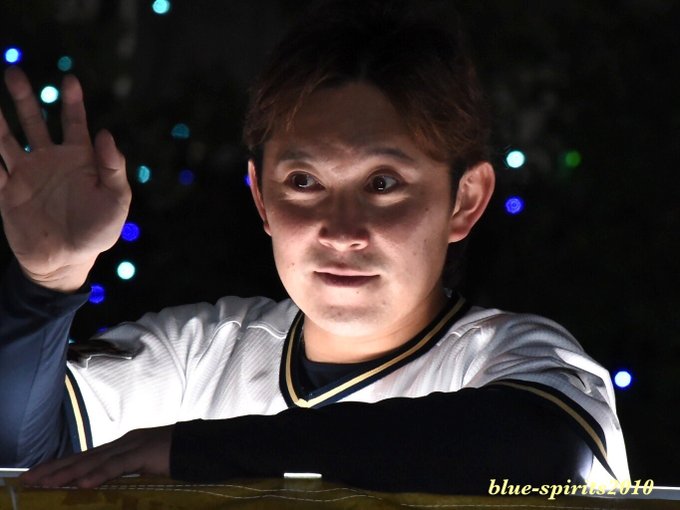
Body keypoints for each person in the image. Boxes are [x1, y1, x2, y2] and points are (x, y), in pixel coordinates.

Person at [0, 0, 628, 494]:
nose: (341, 229)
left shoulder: (519, 358)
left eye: (383, 184)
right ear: (261, 198)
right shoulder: (197, 357)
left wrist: (196, 451)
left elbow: (549, 454)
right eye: (303, 182)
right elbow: (24, 460)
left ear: (464, 200)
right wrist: (45, 285)